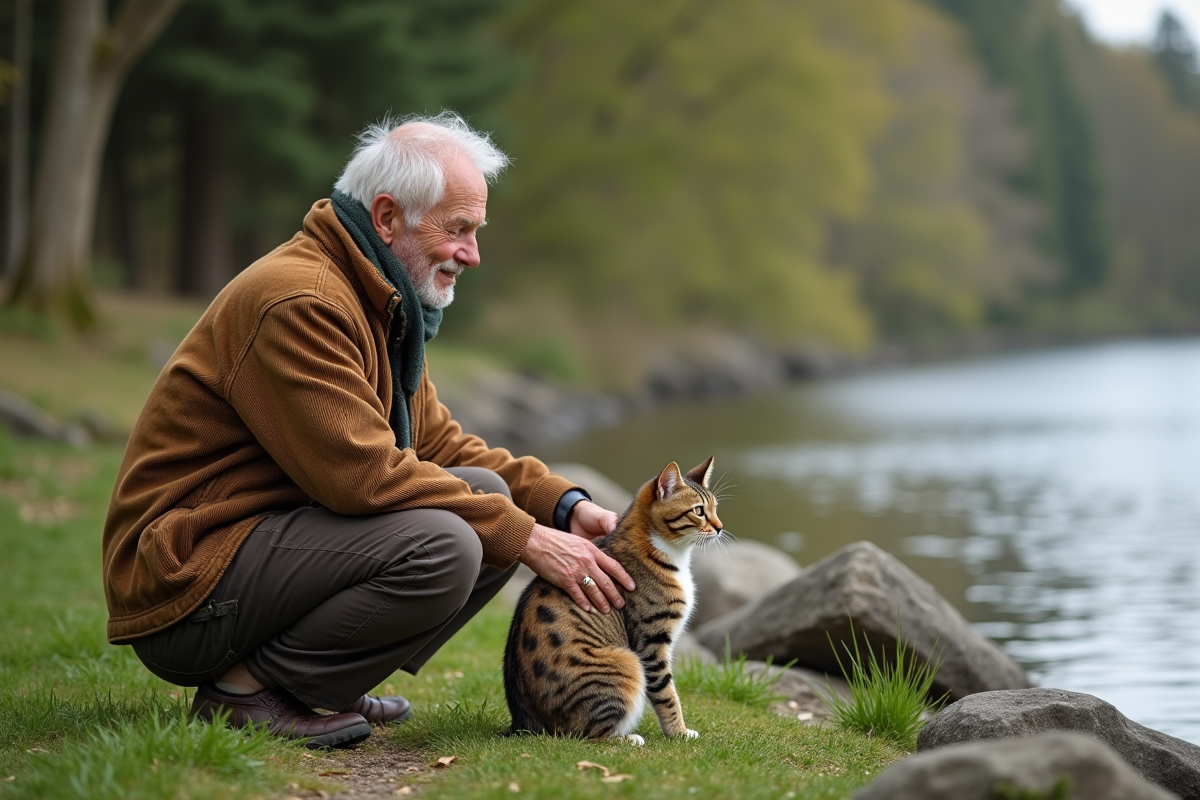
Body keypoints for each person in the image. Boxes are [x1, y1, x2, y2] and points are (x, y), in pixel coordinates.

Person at [101, 112, 635, 749]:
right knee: (452, 542)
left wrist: (561, 505)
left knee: (490, 492)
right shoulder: (303, 301)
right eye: (458, 230)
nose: (473, 254)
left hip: (252, 549)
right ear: (387, 218)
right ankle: (246, 693)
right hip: (186, 577)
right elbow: (363, 478)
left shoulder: (382, 297)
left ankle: (321, 683)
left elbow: (437, 445)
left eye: (476, 231)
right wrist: (526, 538)